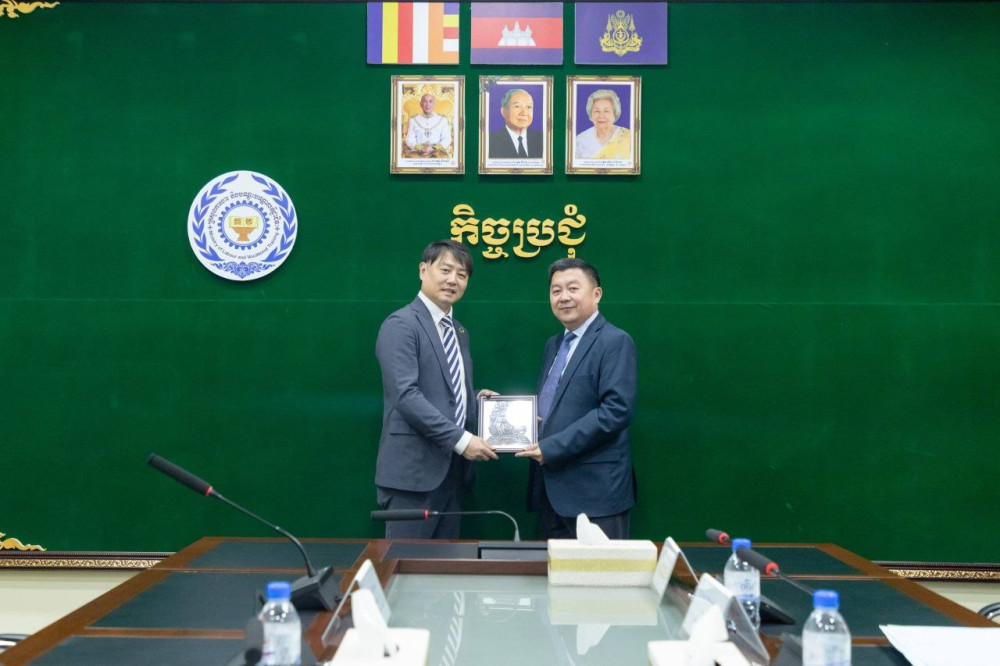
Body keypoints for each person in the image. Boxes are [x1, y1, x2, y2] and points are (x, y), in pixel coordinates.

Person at [375, 240, 498, 539]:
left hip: (452, 476)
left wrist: (476, 402)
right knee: (405, 563)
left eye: (462, 274)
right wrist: (462, 440)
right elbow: (406, 396)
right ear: (423, 270)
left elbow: (445, 390)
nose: (453, 280)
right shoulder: (401, 324)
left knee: (444, 564)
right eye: (445, 270)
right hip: (413, 479)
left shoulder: (459, 331)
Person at [516, 258, 637, 539]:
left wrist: (551, 447)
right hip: (550, 492)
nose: (563, 297)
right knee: (553, 568)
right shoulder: (554, 344)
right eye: (556, 290)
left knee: (599, 568)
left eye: (573, 288)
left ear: (597, 294)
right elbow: (552, 406)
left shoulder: (615, 341)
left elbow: (615, 412)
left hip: (596, 494)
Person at [574, 89, 632, 160]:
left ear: (614, 114)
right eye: (597, 111)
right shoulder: (580, 140)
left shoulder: (628, 137)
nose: (601, 116)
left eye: (606, 111)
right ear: (591, 114)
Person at [488, 88, 543, 159]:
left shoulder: (542, 139)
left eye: (529, 107)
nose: (524, 113)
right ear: (503, 111)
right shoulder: (490, 141)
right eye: (517, 106)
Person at [405, 93, 452, 158]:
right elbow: (409, 139)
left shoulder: (442, 119)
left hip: (437, 152)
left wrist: (434, 148)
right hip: (418, 153)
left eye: (430, 101)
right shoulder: (413, 120)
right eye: (425, 101)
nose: (428, 104)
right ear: (421, 104)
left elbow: (447, 138)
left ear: (434, 104)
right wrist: (421, 149)